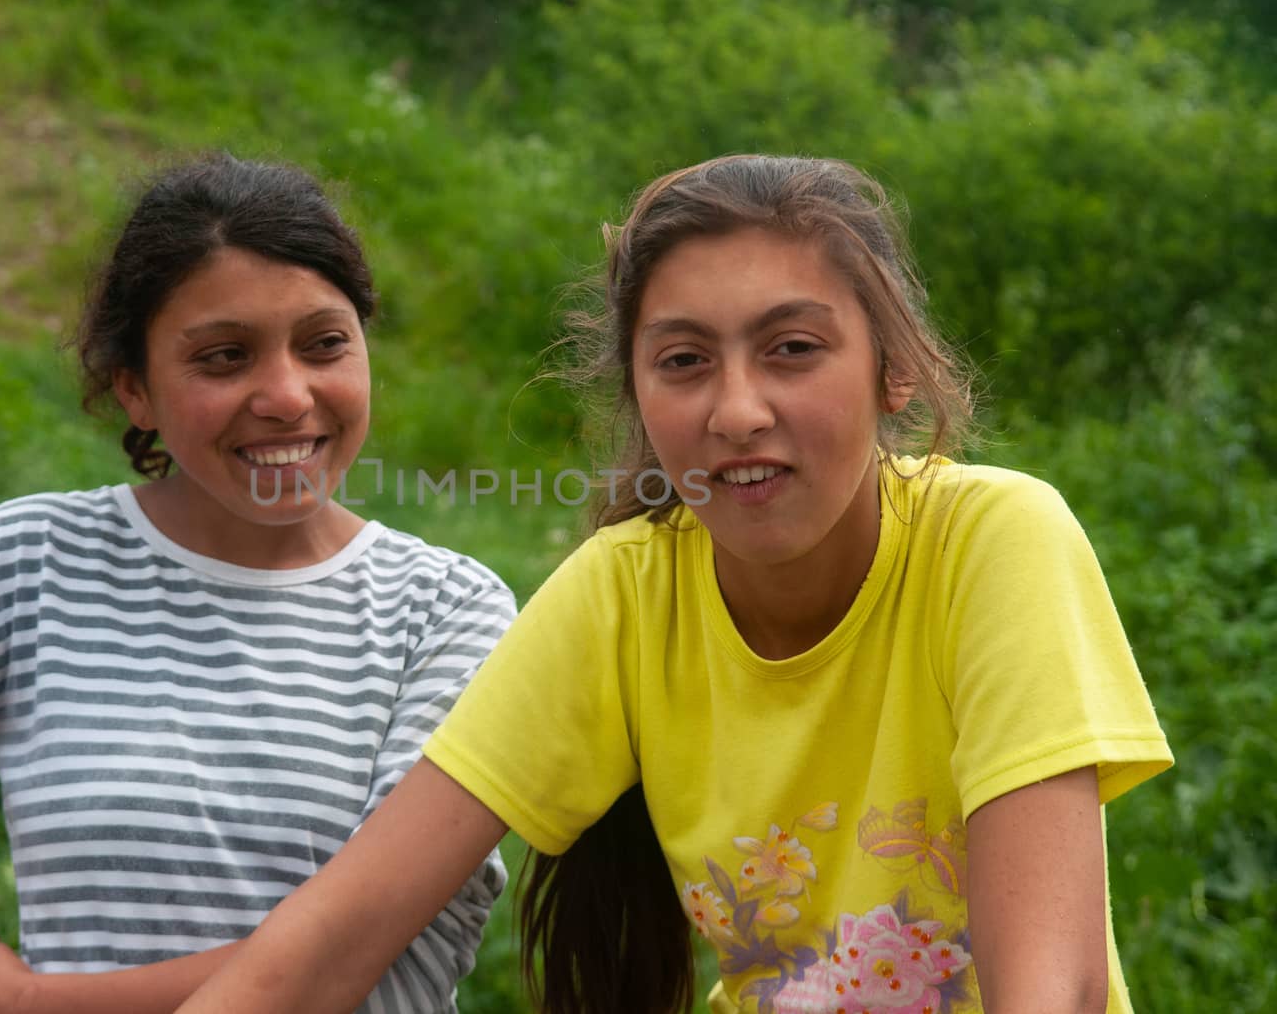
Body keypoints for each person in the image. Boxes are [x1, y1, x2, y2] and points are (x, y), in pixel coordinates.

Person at [171, 154, 1174, 1014]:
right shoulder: (623, 595)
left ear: (892, 370)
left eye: (791, 349)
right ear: (640, 394)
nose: (737, 410)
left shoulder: (992, 539)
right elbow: (326, 943)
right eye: (685, 360)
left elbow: (1055, 987)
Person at [0, 154, 513, 1014]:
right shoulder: (23, 565)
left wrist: (28, 1004)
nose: (287, 396)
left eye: (324, 343)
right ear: (135, 389)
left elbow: (372, 946)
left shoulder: (446, 612)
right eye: (224, 358)